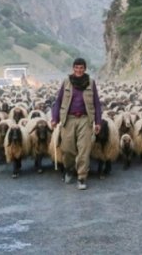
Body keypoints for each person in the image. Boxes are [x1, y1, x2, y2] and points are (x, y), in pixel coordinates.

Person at [51, 57, 102, 190]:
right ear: (73, 68)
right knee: (67, 148)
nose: (79, 70)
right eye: (76, 67)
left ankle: (81, 177)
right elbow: (58, 101)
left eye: (81, 68)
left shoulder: (91, 82)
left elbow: (96, 103)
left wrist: (98, 122)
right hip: (69, 119)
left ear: (85, 69)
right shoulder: (66, 82)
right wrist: (54, 118)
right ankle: (69, 169)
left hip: (85, 119)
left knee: (84, 149)